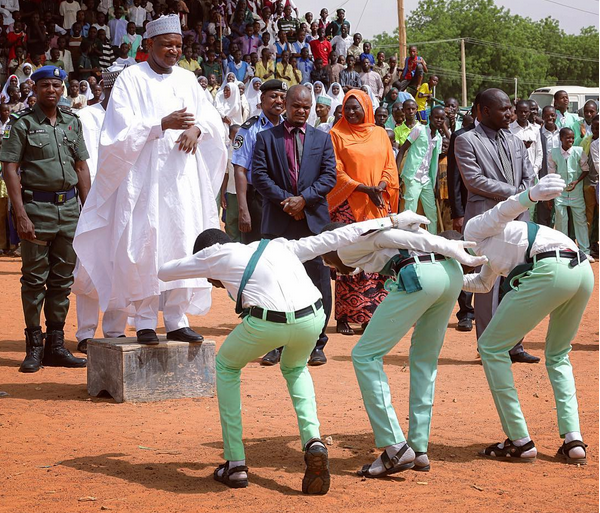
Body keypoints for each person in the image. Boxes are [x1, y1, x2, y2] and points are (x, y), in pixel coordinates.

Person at [158, 220, 403, 493]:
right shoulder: (280, 245)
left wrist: (203, 260)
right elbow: (335, 236)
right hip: (312, 318)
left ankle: (235, 464)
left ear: (212, 249)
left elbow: (164, 272)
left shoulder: (215, 254)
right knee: (296, 369)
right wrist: (390, 221)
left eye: (209, 277)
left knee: (226, 366)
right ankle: (314, 442)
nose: (212, 283)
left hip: (266, 323)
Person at [73, 15, 227, 344]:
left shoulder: (187, 79)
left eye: (179, 45)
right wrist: (161, 124)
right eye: (167, 44)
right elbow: (116, 133)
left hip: (181, 181)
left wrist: (196, 129)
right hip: (144, 181)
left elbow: (212, 118)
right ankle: (144, 321)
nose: (173, 50)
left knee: (183, 242)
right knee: (144, 245)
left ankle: (176, 318)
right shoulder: (131, 78)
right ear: (149, 46)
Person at [321, 214, 486, 477]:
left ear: (331, 243)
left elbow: (391, 236)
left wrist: (445, 246)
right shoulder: (361, 247)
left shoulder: (346, 243)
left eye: (324, 256)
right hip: (449, 274)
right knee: (424, 358)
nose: (327, 264)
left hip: (421, 273)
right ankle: (419, 448)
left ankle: (395, 447)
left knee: (365, 355)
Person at [463, 174, 593, 465]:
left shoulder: (474, 229)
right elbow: (482, 284)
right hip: (581, 270)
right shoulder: (487, 252)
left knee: (491, 347)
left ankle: (519, 440)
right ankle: (573, 441)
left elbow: (502, 211)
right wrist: (451, 281)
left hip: (550, 268)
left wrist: (530, 195)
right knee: (558, 355)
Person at [0, 65, 90, 373]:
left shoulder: (72, 123)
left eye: (56, 85)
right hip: (36, 211)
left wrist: (88, 209)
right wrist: (20, 214)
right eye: (45, 85)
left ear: (62, 89)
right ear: (35, 90)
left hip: (69, 211)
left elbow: (81, 167)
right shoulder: (21, 124)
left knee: (62, 281)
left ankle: (55, 345)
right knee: (34, 280)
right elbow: (10, 169)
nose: (51, 90)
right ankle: (34, 347)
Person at [252, 85, 337, 366]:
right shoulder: (266, 138)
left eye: (306, 106)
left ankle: (316, 344)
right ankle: (276, 343)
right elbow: (260, 176)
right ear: (285, 105)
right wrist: (288, 202)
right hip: (279, 221)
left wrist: (304, 200)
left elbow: (328, 178)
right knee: (276, 283)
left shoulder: (322, 139)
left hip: (313, 222)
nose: (302, 111)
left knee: (318, 282)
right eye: (296, 106)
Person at [455, 88, 538, 364]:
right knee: (487, 287)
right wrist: (515, 194)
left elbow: (529, 175)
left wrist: (521, 197)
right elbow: (474, 181)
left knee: (517, 283)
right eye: (504, 109)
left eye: (510, 109)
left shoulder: (515, 141)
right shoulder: (466, 141)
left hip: (518, 222)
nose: (510, 113)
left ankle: (514, 345)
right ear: (485, 111)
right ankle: (489, 348)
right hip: (486, 222)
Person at [327, 90, 399, 335]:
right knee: (348, 259)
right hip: (349, 205)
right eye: (347, 108)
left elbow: (390, 165)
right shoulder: (336, 134)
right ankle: (344, 317)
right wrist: (362, 188)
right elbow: (335, 170)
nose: (351, 112)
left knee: (376, 257)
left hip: (377, 203)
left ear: (367, 108)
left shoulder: (380, 133)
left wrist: (379, 186)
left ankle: (371, 314)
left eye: (356, 108)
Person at [73, 65, 129, 353]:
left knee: (121, 265)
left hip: (126, 203)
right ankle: (85, 333)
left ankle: (115, 331)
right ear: (106, 88)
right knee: (90, 266)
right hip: (92, 201)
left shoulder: (133, 120)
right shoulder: (85, 117)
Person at [232, 79, 286, 245]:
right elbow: (239, 170)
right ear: (262, 99)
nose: (279, 101)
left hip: (282, 198)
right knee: (255, 249)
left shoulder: (288, 127)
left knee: (281, 249)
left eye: (283, 97)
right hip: (257, 199)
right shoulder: (249, 129)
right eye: (273, 96)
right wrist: (243, 209)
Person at [447, 97, 478, 331]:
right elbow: (454, 179)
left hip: (497, 211)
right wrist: (458, 212)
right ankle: (465, 311)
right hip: (468, 210)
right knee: (466, 260)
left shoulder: (505, 136)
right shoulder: (460, 136)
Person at [396, 105, 445, 233]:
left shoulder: (438, 138)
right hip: (413, 177)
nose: (439, 121)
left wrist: (436, 184)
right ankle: (407, 242)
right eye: (436, 118)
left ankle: (432, 242)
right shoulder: (419, 130)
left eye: (442, 118)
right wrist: (396, 173)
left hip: (426, 179)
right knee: (410, 212)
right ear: (430, 118)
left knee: (432, 213)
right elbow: (402, 149)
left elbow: (434, 161)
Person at [548, 128, 591, 258]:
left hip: (576, 192)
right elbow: (551, 174)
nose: (571, 140)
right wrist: (552, 193)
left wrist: (576, 181)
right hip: (560, 193)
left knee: (580, 221)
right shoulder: (553, 153)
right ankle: (564, 250)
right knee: (561, 220)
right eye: (568, 138)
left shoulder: (578, 151)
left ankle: (585, 251)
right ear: (561, 138)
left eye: (572, 138)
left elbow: (586, 169)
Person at [509, 100, 543, 178]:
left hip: (533, 173)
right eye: (520, 112)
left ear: (529, 112)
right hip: (516, 174)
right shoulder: (509, 129)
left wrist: (535, 169)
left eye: (525, 112)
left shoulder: (535, 130)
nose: (523, 114)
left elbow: (539, 152)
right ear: (515, 112)